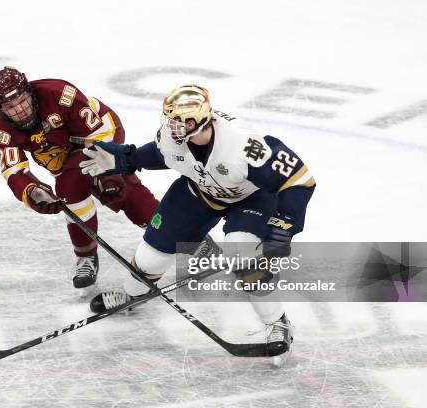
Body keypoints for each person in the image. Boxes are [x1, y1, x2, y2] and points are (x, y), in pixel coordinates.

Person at [79, 84, 316, 366]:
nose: (173, 127)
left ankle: (277, 323)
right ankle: (133, 295)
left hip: (251, 197)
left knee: (243, 253)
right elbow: (159, 154)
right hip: (200, 191)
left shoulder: (243, 145)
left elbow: (300, 179)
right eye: (170, 120)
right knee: (151, 256)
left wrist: (285, 225)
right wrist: (123, 158)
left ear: (200, 120)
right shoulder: (172, 136)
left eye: (180, 122)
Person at [0, 66, 159, 295]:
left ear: (29, 91)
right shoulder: (0, 131)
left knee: (116, 187)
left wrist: (108, 174)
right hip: (64, 158)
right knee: (70, 188)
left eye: (22, 100)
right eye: (10, 106)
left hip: (99, 136)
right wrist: (33, 192)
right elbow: (14, 172)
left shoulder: (60, 93)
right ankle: (88, 256)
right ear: (0, 108)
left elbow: (96, 135)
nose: (20, 110)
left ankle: (173, 233)